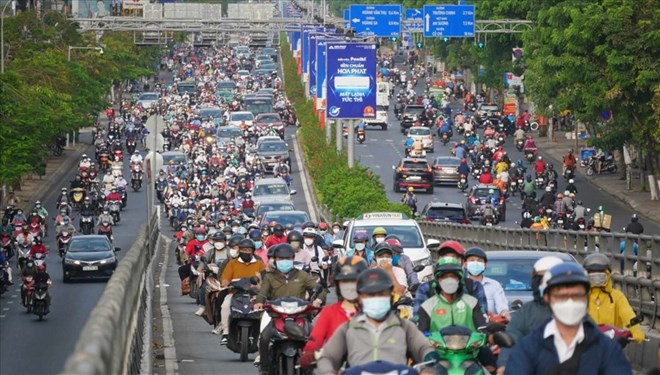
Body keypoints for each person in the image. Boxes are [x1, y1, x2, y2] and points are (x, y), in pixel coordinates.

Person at [504, 262, 632, 375]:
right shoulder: (528, 348)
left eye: (577, 295)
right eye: (562, 296)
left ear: (586, 298)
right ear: (547, 298)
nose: (570, 302)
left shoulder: (607, 349)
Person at [316, 268, 436, 375]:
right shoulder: (348, 328)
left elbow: (425, 349)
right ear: (360, 298)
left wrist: (428, 369)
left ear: (390, 295)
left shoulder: (404, 326)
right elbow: (328, 357)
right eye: (370, 295)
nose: (376, 298)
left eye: (381, 294)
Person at [254, 244, 327, 375]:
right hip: (276, 317)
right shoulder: (269, 277)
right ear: (274, 260)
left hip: (301, 317)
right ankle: (265, 368)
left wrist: (317, 301)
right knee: (264, 338)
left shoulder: (303, 275)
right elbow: (262, 294)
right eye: (280, 258)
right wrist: (258, 303)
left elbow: (320, 290)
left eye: (287, 258)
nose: (283, 261)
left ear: (293, 258)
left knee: (315, 338)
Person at [497, 256, 564, 373]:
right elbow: (512, 338)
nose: (547, 285)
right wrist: (504, 365)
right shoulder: (525, 312)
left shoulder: (574, 310)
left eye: (552, 280)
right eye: (542, 280)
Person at [299, 256, 368, 368]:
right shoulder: (329, 312)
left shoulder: (373, 311)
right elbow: (315, 339)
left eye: (354, 281)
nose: (349, 286)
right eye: (345, 282)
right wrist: (309, 353)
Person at [413, 241, 488, 315]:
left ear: (462, 261)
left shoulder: (473, 287)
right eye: (444, 257)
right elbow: (418, 319)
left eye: (453, 257)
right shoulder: (425, 288)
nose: (448, 261)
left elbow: (482, 316)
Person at [583, 253, 645, 343]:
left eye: (600, 272)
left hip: (612, 345)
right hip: (586, 346)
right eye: (592, 272)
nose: (596, 276)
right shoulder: (581, 297)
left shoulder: (617, 296)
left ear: (607, 274)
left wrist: (636, 330)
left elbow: (628, 315)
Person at [218, 238, 266, 344]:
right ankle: (226, 333)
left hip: (254, 295)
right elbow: (225, 278)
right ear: (239, 251)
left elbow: (264, 279)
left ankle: (261, 334)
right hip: (235, 293)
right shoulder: (232, 263)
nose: (245, 252)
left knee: (263, 309)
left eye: (248, 250)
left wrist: (259, 286)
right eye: (243, 250)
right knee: (225, 306)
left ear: (253, 251)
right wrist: (226, 283)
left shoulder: (259, 264)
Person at [464, 247, 510, 320]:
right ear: (465, 264)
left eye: (479, 260)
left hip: (488, 325)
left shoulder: (494, 285)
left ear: (485, 265)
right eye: (472, 260)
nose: (475, 263)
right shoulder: (461, 285)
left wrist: (505, 315)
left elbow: (502, 307)